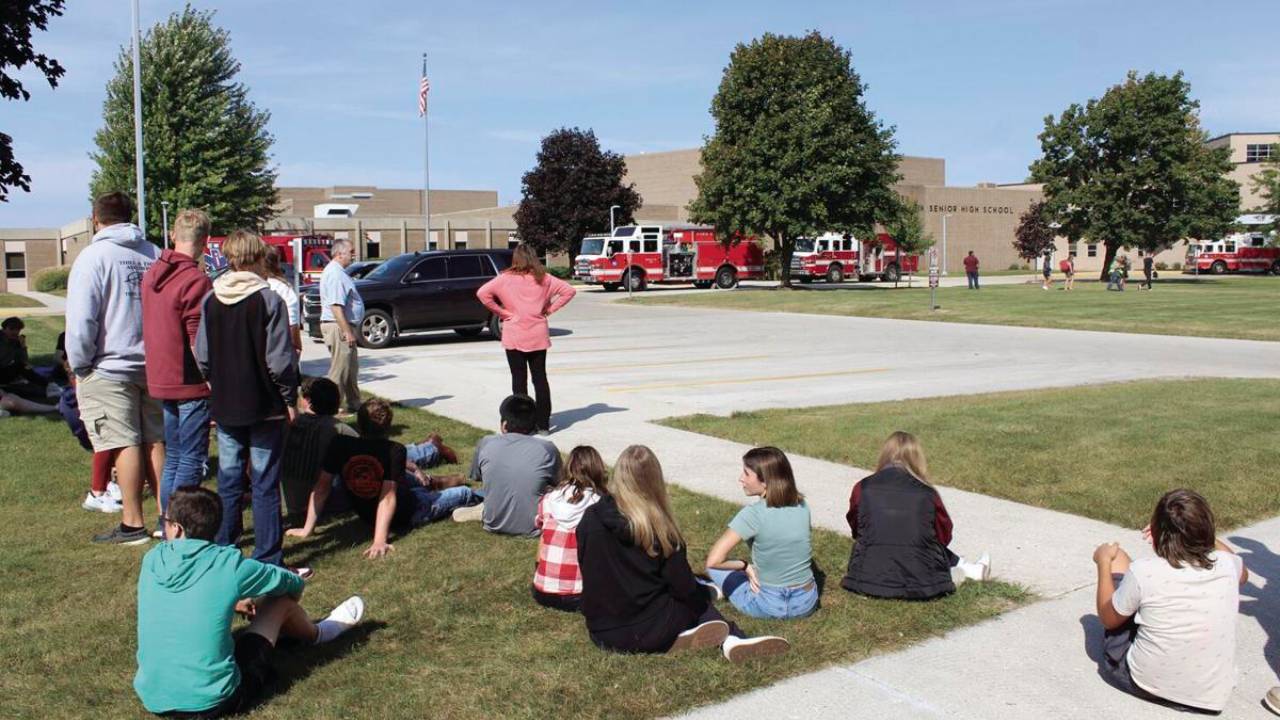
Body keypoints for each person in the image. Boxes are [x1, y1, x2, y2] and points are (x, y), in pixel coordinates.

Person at [133, 486, 365, 717]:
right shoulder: (228, 565)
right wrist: (282, 601)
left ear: (177, 528)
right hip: (212, 702)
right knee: (280, 602)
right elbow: (292, 583)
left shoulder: (152, 560)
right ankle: (319, 633)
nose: (164, 525)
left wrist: (232, 600)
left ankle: (302, 631)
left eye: (165, 520)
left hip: (154, 698)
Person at [577, 445, 790, 662]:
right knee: (693, 595)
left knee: (688, 590)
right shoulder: (660, 529)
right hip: (650, 628)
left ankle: (690, 631)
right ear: (655, 480)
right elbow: (683, 588)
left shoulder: (589, 519)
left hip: (601, 630)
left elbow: (587, 568)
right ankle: (731, 636)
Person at [66, 191, 164, 545]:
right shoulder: (154, 254)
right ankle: (169, 520)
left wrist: (79, 364)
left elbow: (82, 319)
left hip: (109, 365)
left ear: (96, 218)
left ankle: (133, 522)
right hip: (153, 363)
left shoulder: (94, 257)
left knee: (124, 441)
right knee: (156, 440)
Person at [1092, 489, 1247, 714]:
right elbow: (1243, 575)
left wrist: (1103, 562)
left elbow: (1108, 619)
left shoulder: (1144, 571)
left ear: (1156, 531)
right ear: (1206, 530)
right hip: (1210, 696)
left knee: (1118, 559)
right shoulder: (1228, 564)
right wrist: (1203, 534)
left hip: (1146, 684)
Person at [195, 230, 298, 567]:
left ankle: (226, 547)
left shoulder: (211, 300)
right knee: (265, 482)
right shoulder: (270, 300)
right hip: (264, 404)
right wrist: (289, 398)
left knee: (228, 478)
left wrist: (216, 384)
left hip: (226, 404)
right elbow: (280, 360)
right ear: (256, 258)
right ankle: (268, 556)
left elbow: (203, 356)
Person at [287, 398, 479, 559]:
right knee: (463, 493)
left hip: (397, 506)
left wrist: (307, 529)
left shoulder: (341, 444)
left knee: (424, 491)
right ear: (388, 427)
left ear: (359, 424)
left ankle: (434, 482)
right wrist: (379, 540)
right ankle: (439, 483)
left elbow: (322, 488)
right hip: (407, 512)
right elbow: (386, 498)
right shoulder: (392, 450)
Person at [841, 431, 990, 600]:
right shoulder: (927, 493)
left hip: (865, 579)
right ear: (917, 458)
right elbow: (944, 535)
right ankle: (967, 569)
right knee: (926, 544)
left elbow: (856, 526)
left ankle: (968, 569)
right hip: (922, 582)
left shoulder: (863, 487)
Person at [142, 209, 213, 526]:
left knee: (173, 455)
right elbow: (198, 337)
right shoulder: (195, 280)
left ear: (173, 235)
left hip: (161, 375)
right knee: (191, 457)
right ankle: (180, 522)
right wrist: (212, 378)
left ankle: (165, 520)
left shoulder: (152, 274)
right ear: (206, 242)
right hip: (189, 380)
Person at [704, 447, 817, 620]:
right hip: (807, 602)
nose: (740, 478)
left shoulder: (753, 514)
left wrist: (744, 566)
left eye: (746, 473)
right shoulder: (803, 506)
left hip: (769, 605)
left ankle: (721, 589)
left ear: (765, 481)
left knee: (715, 570)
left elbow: (714, 561)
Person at [476, 244, 576, 433]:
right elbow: (569, 291)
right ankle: (544, 424)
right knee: (540, 379)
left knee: (518, 380)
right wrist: (549, 309)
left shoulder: (504, 279)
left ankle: (522, 424)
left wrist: (502, 312)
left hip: (514, 333)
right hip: (537, 334)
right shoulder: (544, 278)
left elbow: (482, 294)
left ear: (515, 259)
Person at [452, 394, 559, 537]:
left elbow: (477, 477)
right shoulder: (547, 449)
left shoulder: (486, 443)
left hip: (492, 521)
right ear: (534, 425)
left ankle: (483, 509)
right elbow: (560, 484)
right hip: (534, 525)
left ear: (504, 424)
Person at [532, 445, 608, 612]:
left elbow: (543, 537)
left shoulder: (549, 499)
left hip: (543, 591)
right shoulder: (601, 505)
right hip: (579, 594)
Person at [54, 334, 123, 511]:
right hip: (84, 410)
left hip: (81, 407)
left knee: (110, 443)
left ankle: (110, 484)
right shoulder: (83, 379)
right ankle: (98, 492)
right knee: (107, 443)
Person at [280, 377, 357, 524]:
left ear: (307, 400)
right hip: (320, 499)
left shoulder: (289, 425)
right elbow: (371, 452)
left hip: (285, 501)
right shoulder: (338, 429)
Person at [318, 238, 364, 414]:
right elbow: (336, 306)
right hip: (338, 327)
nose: (354, 255)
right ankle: (331, 407)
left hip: (342, 326)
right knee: (340, 369)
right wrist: (347, 331)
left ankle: (354, 402)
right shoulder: (336, 274)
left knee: (351, 368)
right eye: (351, 252)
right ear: (339, 254)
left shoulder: (339, 272)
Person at [263, 246, 303, 358]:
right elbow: (292, 323)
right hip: (279, 349)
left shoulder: (252, 285)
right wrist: (297, 346)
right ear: (277, 263)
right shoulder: (283, 288)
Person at [0, 316, 51, 395]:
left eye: (18, 330)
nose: (15, 332)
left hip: (4, 371)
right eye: (11, 329)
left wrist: (23, 346)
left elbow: (24, 361)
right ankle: (47, 387)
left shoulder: (15, 341)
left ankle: (48, 386)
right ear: (4, 328)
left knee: (22, 366)